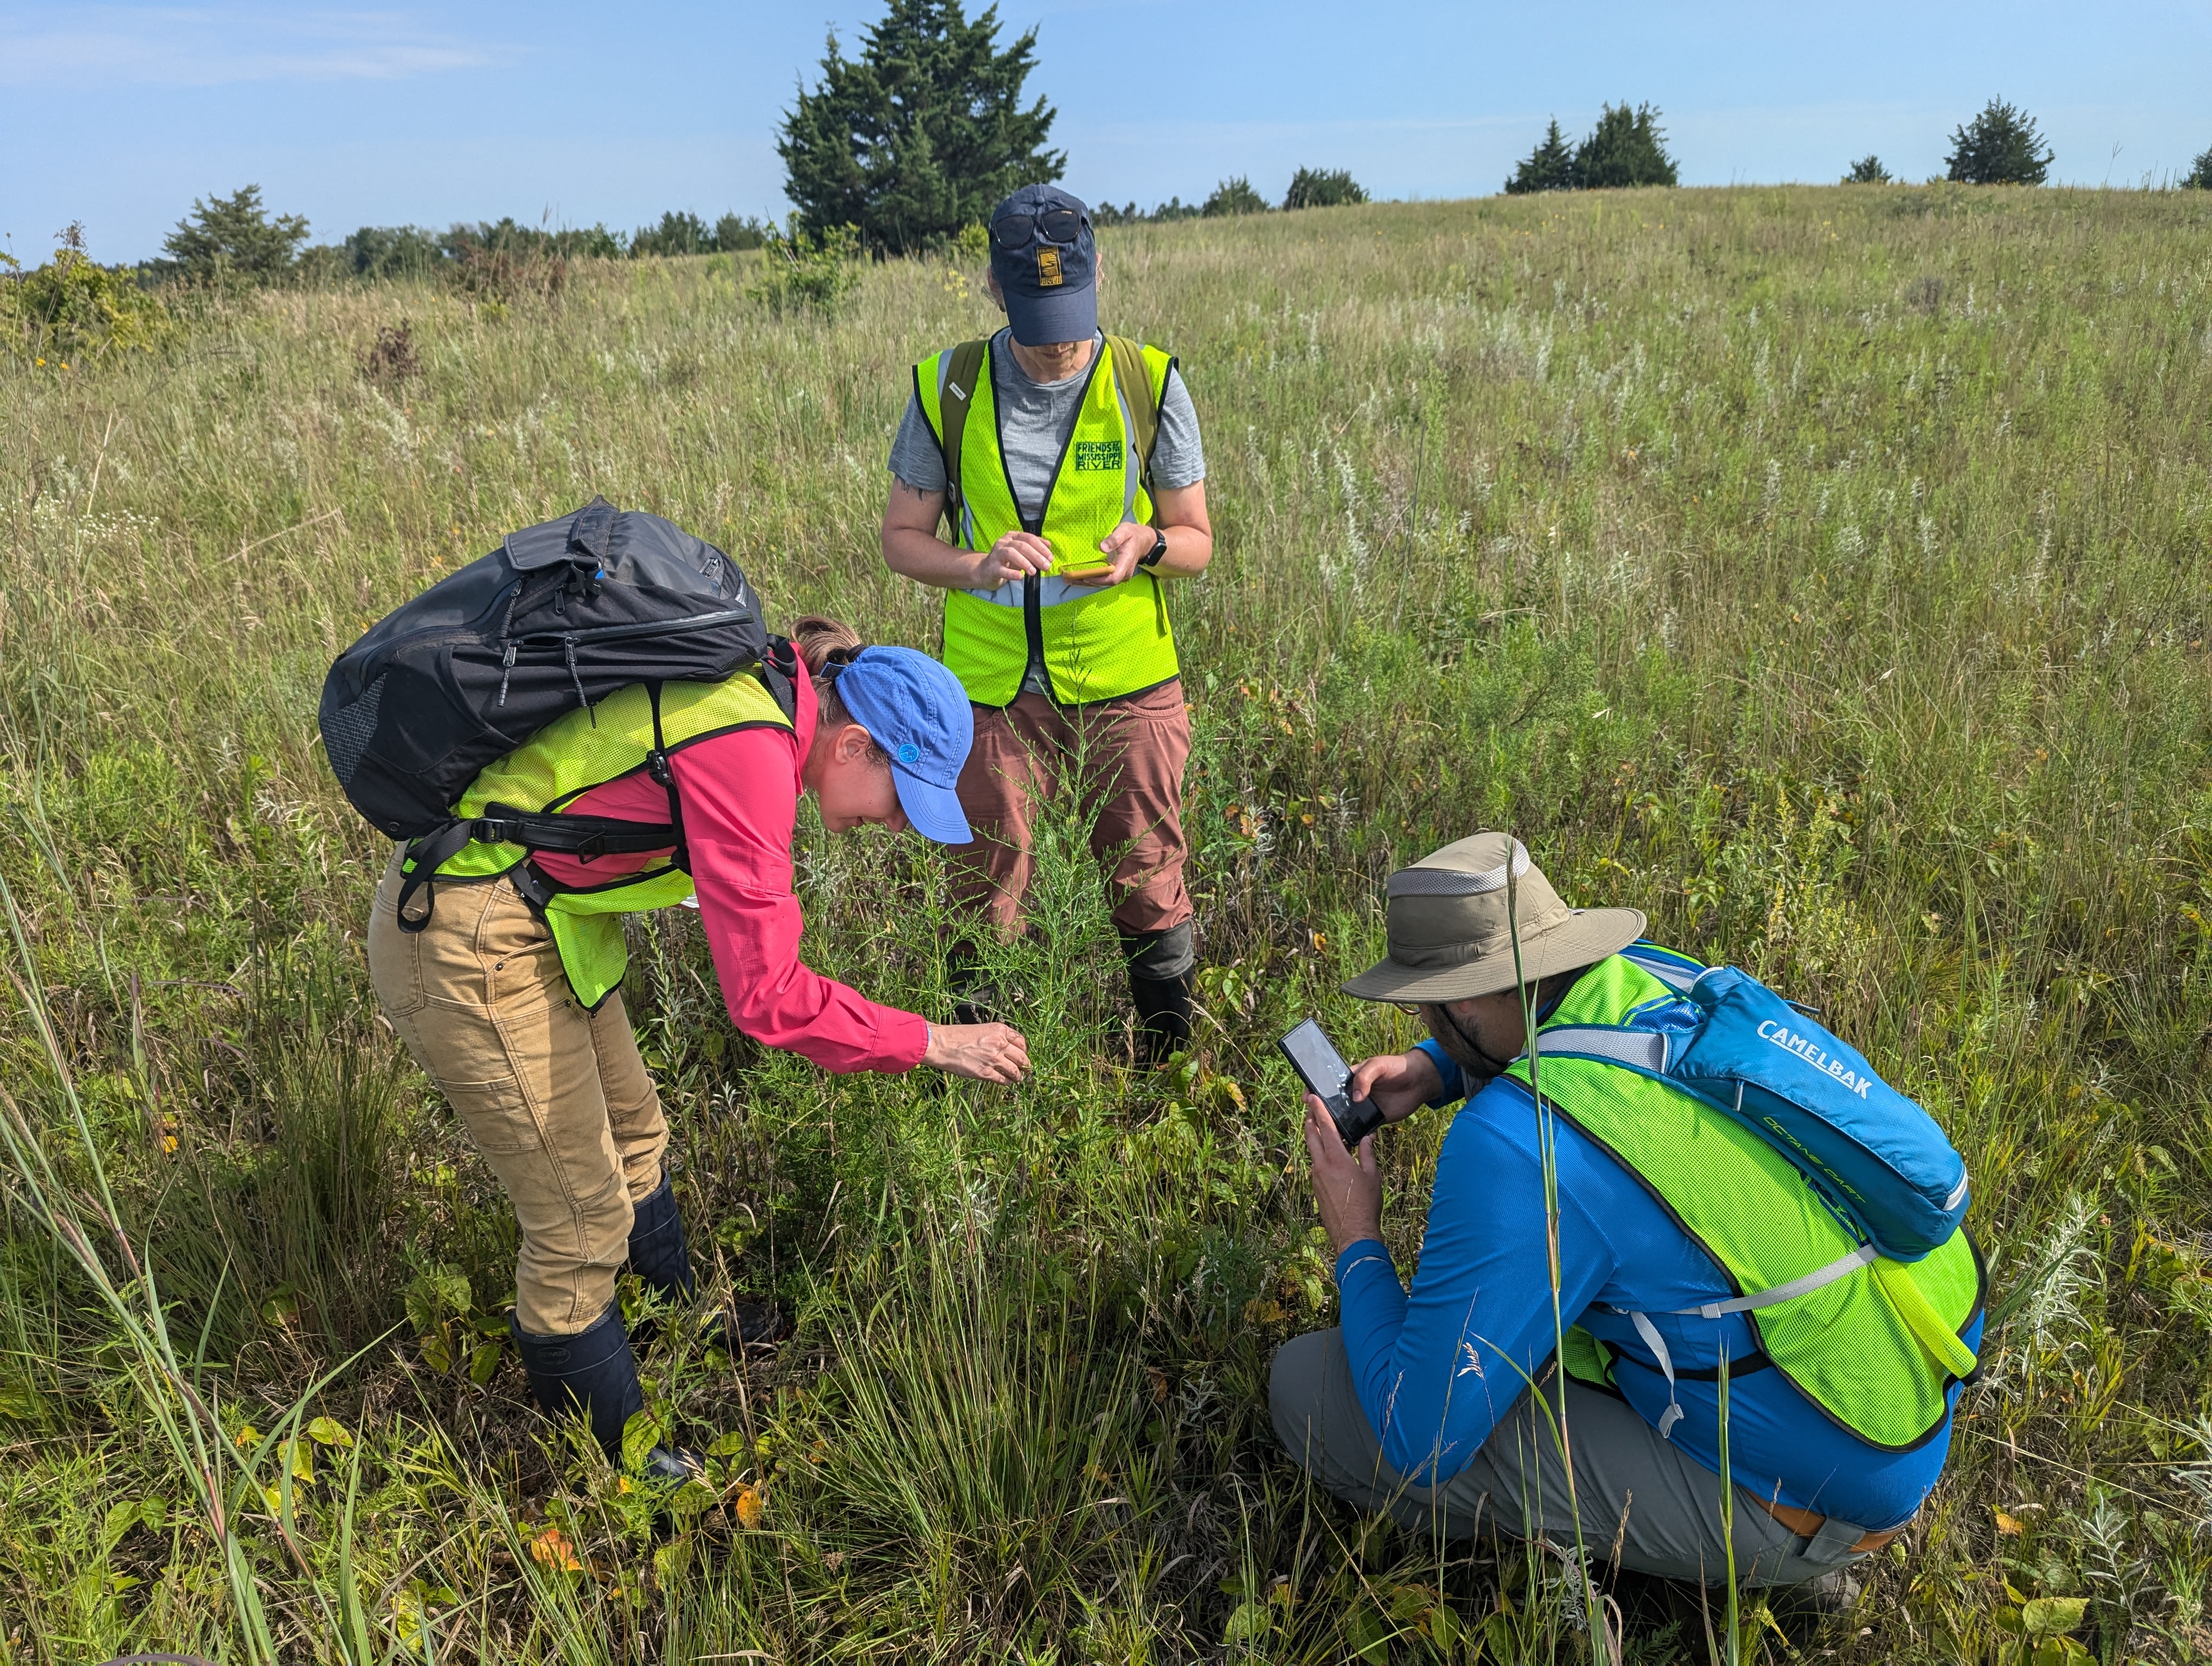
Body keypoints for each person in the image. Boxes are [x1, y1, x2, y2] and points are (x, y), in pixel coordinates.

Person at [366, 614, 1029, 1476]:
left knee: (638, 1136)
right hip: (469, 933)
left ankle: (674, 1332)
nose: (899, 829)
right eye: (903, 801)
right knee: (579, 1220)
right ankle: (620, 1471)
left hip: (545, 917)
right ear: (856, 745)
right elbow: (768, 999)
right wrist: (934, 1041)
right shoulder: (751, 754)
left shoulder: (767, 699)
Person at [1272, 832, 1983, 1589]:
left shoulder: (1520, 1144)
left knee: (1309, 1389)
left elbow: (1421, 1435)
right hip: (1900, 1386)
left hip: (1811, 1500)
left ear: (1467, 996)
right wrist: (1437, 1067)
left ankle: (1790, 1568)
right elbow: (1591, 1052)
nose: (1426, 1021)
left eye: (1430, 1010)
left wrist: (1357, 1237)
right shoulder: (1655, 976)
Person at [880, 183, 1214, 1062]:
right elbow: (902, 542)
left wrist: (1146, 543)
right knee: (982, 890)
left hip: (1125, 684)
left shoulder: (1146, 380)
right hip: (988, 694)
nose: (1057, 343)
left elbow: (1197, 540)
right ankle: (979, 1079)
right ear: (994, 289)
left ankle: (1165, 1071)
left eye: (1070, 314)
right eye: (1035, 319)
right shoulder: (946, 387)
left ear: (1101, 272)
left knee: (1148, 879)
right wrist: (975, 565)